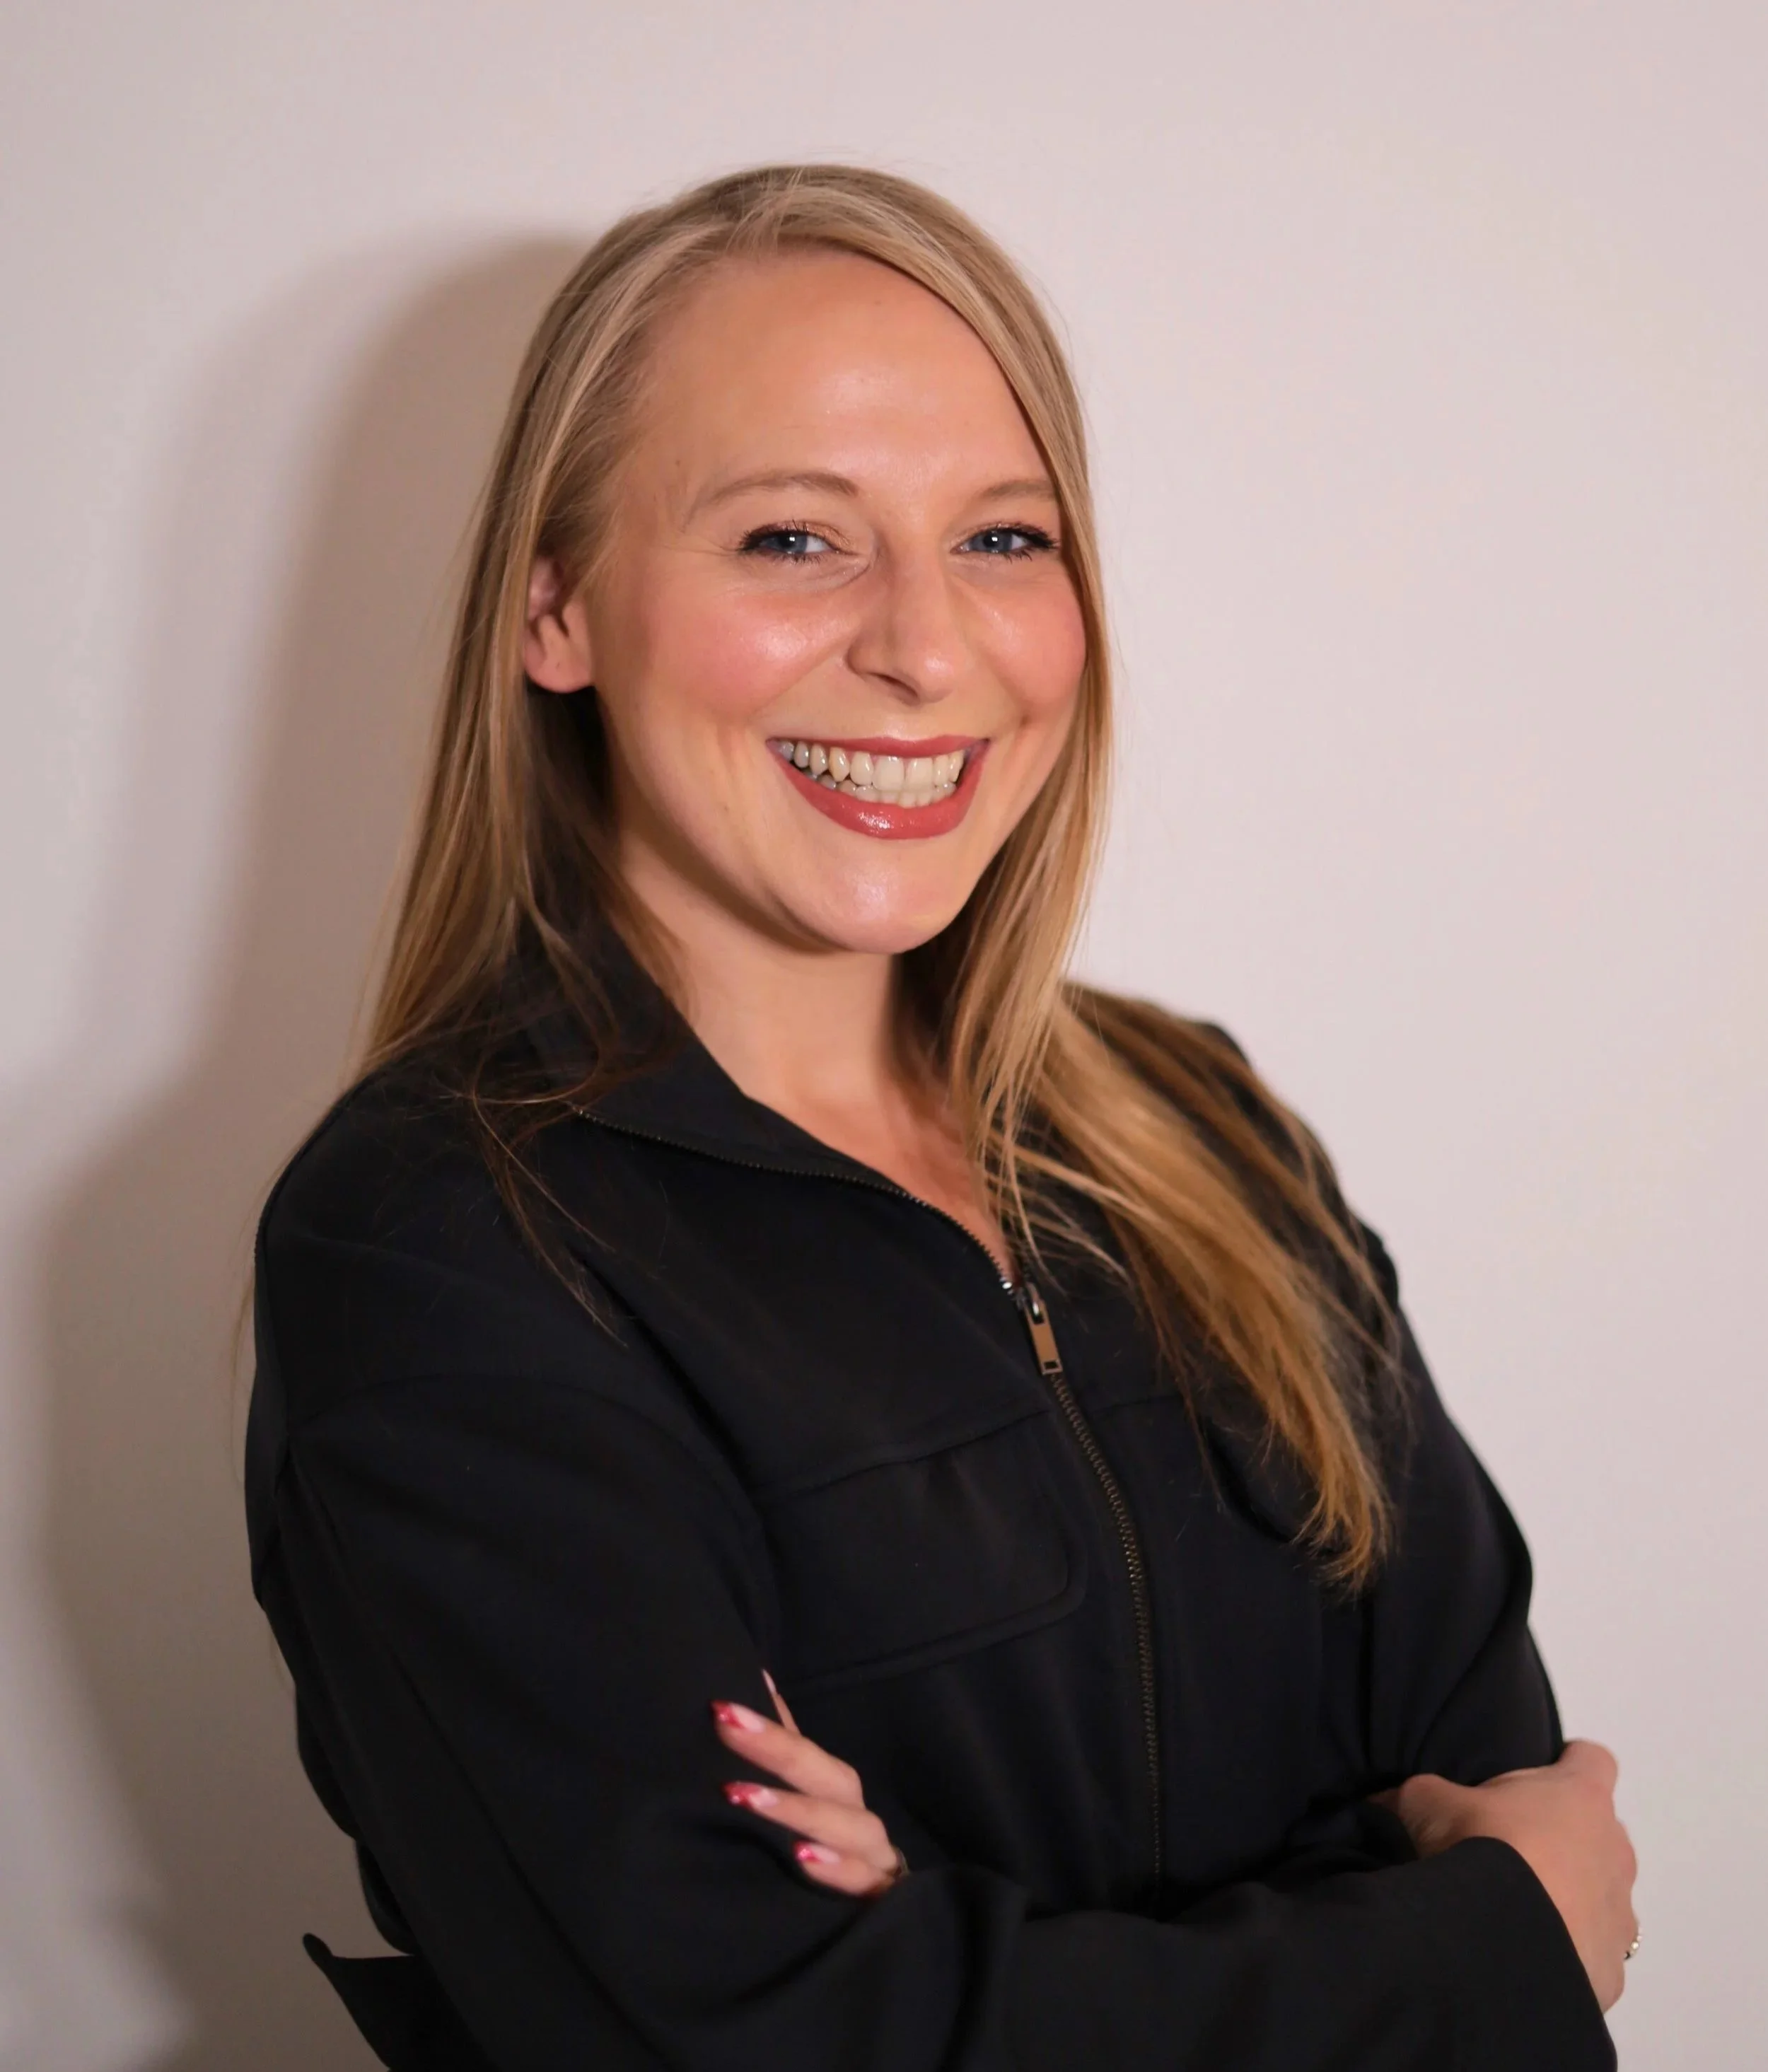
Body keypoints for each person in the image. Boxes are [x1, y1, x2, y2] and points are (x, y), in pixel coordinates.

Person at [245, 163, 1636, 2072]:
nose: (922, 644)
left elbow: (1486, 1778)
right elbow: (730, 2039)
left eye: (1001, 537)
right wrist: (1448, 1954)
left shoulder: (1200, 1131)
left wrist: (953, 1952)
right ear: (554, 610)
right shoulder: (446, 1246)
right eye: (792, 541)